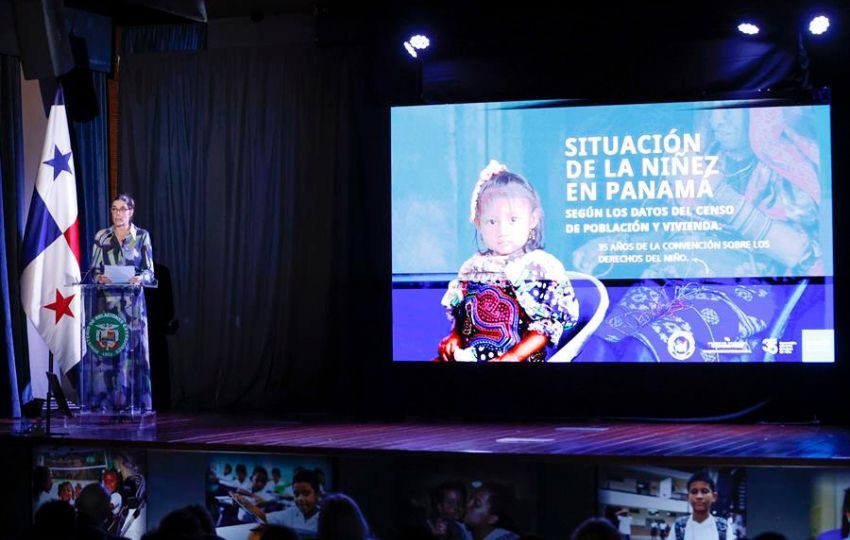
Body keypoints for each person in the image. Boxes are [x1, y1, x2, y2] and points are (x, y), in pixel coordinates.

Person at [576, 105, 823, 363]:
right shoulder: (705, 156)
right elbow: (676, 230)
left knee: (642, 354)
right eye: (711, 112)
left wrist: (719, 194)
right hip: (669, 277)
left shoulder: (781, 167)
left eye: (729, 110)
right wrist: (611, 244)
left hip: (741, 291)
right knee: (600, 349)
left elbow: (801, 255)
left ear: (758, 115)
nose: (717, 121)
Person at [438, 160, 579, 362]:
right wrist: (455, 336)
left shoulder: (540, 268)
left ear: (532, 219)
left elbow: (547, 325)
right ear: (479, 223)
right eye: (492, 221)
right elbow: (463, 317)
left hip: (519, 358)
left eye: (513, 219)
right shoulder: (473, 268)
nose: (502, 230)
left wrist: (512, 357)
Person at [86, 193, 155, 412]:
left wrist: (139, 278)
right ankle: (104, 403)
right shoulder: (102, 237)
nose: (117, 213)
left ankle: (135, 403)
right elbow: (93, 270)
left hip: (132, 307)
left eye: (122, 209)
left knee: (132, 354)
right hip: (106, 305)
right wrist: (99, 278)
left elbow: (149, 271)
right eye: (114, 209)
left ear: (131, 211)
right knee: (107, 351)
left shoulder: (141, 236)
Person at [238, 468, 321, 534]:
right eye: (296, 494)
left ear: (317, 495)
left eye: (306, 493)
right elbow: (265, 517)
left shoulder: (326, 518)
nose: (300, 499)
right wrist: (247, 504)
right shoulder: (290, 513)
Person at [672, 471, 727, 540]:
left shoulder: (724, 526)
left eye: (704, 491)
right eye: (694, 492)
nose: (699, 496)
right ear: (688, 497)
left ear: (714, 496)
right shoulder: (678, 525)